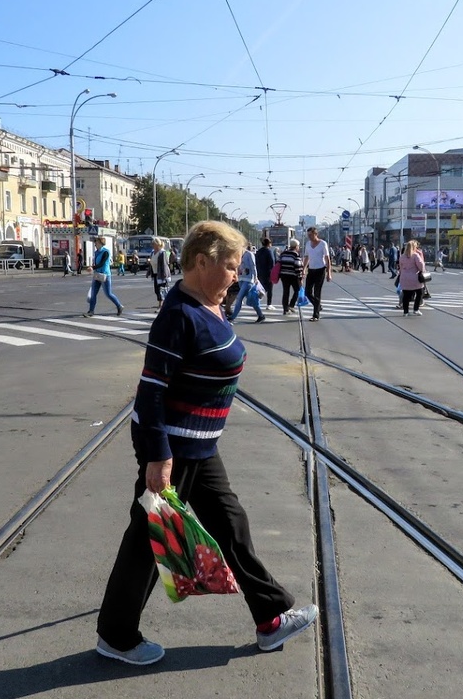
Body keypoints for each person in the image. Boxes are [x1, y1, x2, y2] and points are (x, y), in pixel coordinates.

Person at [95, 220, 318, 666]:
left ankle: (271, 618)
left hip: (198, 444)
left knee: (230, 525)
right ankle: (117, 636)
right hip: (174, 448)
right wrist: (159, 458)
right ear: (202, 262)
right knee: (147, 538)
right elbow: (151, 391)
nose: (237, 274)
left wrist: (227, 300)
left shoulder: (208, 304)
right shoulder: (178, 315)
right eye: (231, 267)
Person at [85, 234, 124, 317]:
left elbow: (102, 263)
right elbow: (95, 263)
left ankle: (119, 306)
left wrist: (92, 267)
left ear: (101, 243)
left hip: (105, 275)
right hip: (97, 275)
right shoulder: (96, 252)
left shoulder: (106, 252)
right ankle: (91, 311)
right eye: (95, 242)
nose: (95, 244)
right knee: (93, 293)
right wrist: (92, 267)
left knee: (108, 294)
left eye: (97, 242)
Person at [228, 244, 266, 323]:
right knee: (251, 298)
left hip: (249, 280)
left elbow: (253, 266)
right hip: (241, 279)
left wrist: (255, 277)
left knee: (239, 297)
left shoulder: (249, 254)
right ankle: (261, 315)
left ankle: (232, 317)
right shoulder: (238, 255)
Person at [302, 226, 332, 321]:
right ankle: (317, 305)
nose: (309, 237)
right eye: (308, 235)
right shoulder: (307, 244)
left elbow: (327, 259)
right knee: (307, 292)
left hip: (320, 270)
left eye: (311, 235)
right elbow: (307, 257)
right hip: (311, 269)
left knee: (317, 292)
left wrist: (329, 272)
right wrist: (304, 269)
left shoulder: (323, 244)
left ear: (316, 234)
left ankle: (316, 315)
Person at [398, 239, 427, 316]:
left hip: (404, 278)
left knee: (406, 295)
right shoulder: (415, 255)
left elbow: (400, 268)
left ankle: (405, 312)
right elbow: (421, 266)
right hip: (414, 278)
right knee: (419, 293)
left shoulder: (402, 257)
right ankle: (416, 309)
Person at [277, 238, 304, 315]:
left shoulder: (283, 253)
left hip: (284, 276)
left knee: (286, 292)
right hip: (293, 276)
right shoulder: (296, 255)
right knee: (297, 290)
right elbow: (298, 267)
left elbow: (279, 263)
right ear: (296, 246)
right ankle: (291, 305)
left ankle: (285, 309)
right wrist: (300, 278)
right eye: (298, 246)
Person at [149, 237, 172, 310]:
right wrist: (149, 272)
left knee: (161, 290)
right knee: (156, 290)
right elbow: (152, 263)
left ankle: (161, 306)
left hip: (162, 274)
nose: (152, 245)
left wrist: (164, 275)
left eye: (153, 244)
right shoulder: (153, 252)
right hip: (155, 273)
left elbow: (164, 264)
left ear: (157, 244)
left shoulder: (162, 252)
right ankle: (163, 304)